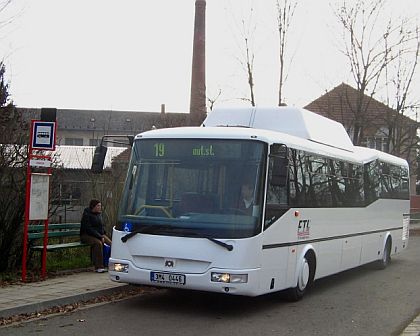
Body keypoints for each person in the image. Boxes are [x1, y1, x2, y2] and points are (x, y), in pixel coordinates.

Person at [80, 199, 112, 273]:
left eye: (100, 205)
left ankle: (108, 263)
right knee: (98, 243)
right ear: (93, 206)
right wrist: (100, 237)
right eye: (98, 205)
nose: (100, 207)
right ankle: (98, 266)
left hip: (98, 235)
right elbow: (88, 229)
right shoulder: (86, 215)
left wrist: (103, 234)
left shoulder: (99, 214)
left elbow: (100, 226)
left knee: (111, 244)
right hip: (86, 235)